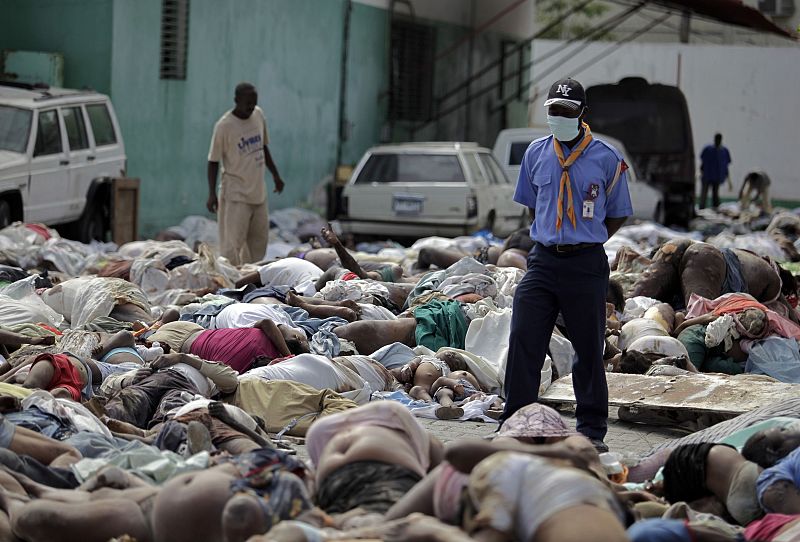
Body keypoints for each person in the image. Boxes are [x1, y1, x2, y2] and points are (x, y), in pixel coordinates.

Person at [501, 77, 633, 452]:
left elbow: (618, 214)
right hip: (543, 259)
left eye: (566, 112)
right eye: (553, 111)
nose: (558, 117)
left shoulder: (606, 159)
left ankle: (591, 429)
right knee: (525, 337)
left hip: (586, 262)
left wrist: (586, 237)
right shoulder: (536, 153)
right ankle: (517, 422)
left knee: (588, 347)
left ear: (582, 114)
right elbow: (531, 203)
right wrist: (553, 233)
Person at [207, 82, 285, 266]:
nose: (251, 107)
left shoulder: (258, 115)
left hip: (258, 191)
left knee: (258, 243)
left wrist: (275, 175)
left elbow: (263, 147)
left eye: (254, 102)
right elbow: (213, 161)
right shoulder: (224, 126)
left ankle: (248, 279)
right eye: (247, 103)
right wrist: (211, 193)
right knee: (232, 245)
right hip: (235, 193)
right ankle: (231, 283)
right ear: (236, 101)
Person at [699, 133, 732, 210]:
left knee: (715, 194)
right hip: (707, 175)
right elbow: (703, 163)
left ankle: (715, 208)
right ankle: (702, 208)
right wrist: (701, 172)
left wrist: (728, 179)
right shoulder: (708, 149)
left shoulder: (724, 151)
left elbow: (726, 166)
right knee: (704, 194)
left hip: (717, 176)